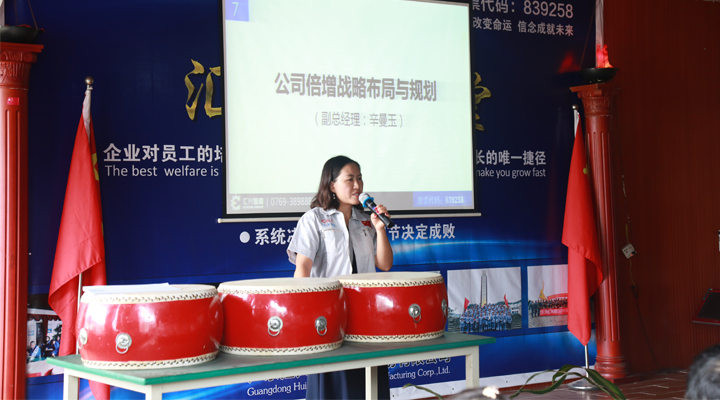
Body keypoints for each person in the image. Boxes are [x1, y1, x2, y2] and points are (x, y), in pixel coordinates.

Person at [287, 155, 393, 400]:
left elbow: (385, 264)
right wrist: (305, 310)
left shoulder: (366, 220)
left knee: (369, 379)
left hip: (366, 311)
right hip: (329, 312)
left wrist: (379, 229)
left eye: (360, 178)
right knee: (334, 380)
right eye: (350, 179)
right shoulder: (314, 219)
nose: (357, 185)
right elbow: (303, 267)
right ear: (332, 185)